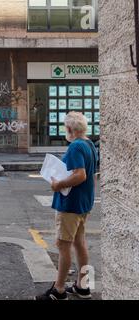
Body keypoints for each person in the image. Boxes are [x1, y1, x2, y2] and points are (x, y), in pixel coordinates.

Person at [35, 112, 97, 300]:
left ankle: (59, 290)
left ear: (70, 129)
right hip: (83, 203)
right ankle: (82, 286)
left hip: (70, 204)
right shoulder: (89, 144)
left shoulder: (76, 146)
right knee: (80, 244)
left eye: (65, 127)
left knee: (63, 246)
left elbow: (80, 175)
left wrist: (57, 184)